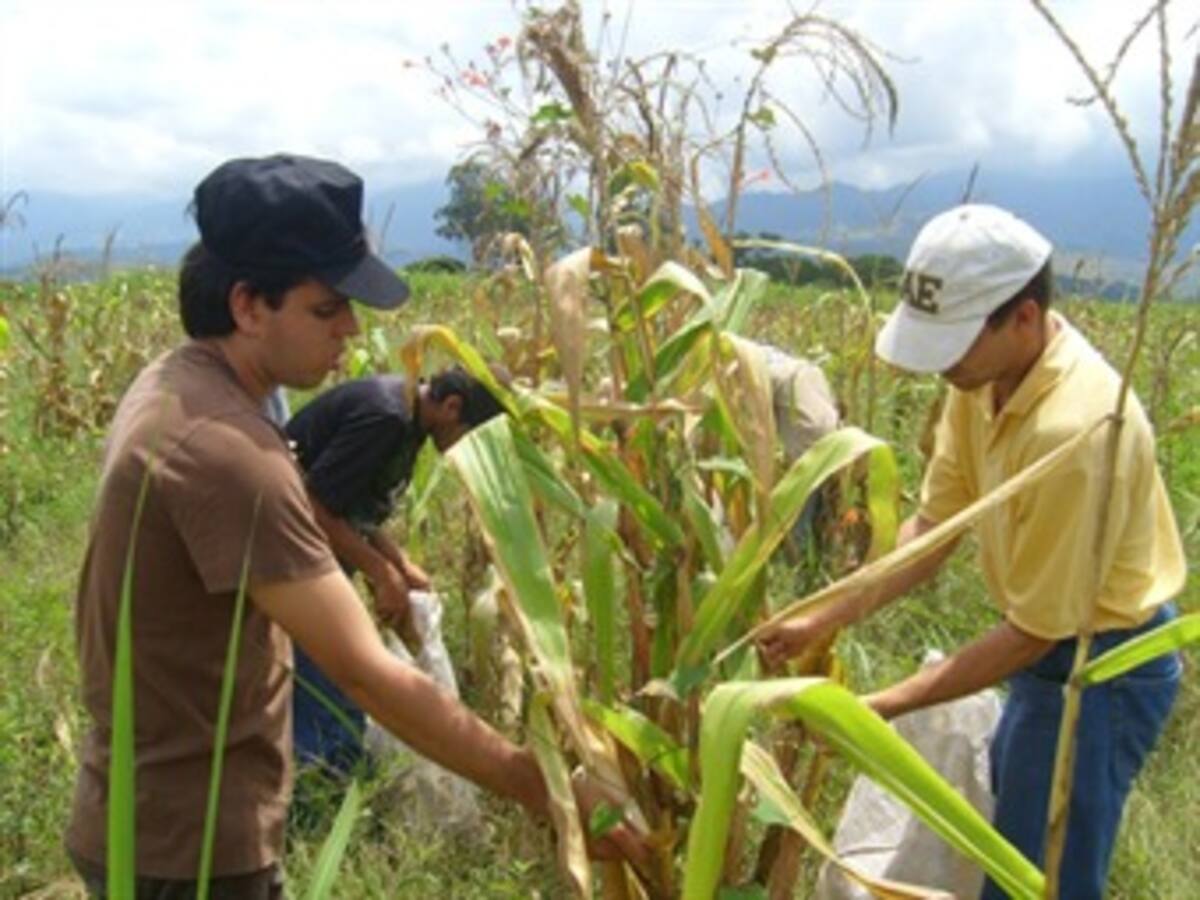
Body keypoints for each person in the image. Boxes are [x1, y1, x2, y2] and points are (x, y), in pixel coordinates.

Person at [65, 153, 638, 898]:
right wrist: (549, 790)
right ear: (247, 305)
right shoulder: (228, 453)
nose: (351, 330)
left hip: (141, 815)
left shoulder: (180, 386)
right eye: (326, 307)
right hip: (192, 849)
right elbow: (367, 673)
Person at [758, 204, 1185, 899]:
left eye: (954, 342)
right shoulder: (981, 379)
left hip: (1101, 668)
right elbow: (934, 527)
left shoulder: (1077, 433)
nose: (943, 364)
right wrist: (824, 616)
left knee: (1044, 880)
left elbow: (1034, 632)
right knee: (1007, 850)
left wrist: (877, 708)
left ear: (1021, 316)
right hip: (1049, 651)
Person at [284, 367, 504, 781]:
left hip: (312, 564)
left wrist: (398, 563)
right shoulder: (386, 418)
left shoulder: (409, 422)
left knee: (331, 680)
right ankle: (324, 801)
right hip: (290, 563)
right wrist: (381, 572)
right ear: (452, 407)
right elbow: (311, 504)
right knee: (335, 688)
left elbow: (351, 503)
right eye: (472, 437)